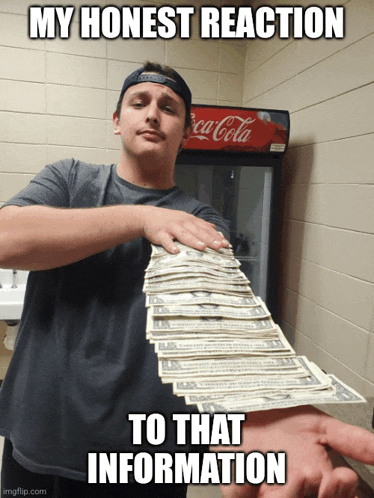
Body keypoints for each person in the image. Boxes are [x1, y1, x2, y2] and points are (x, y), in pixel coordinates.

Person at [0, 62, 373, 498]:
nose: (152, 113)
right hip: (39, 441)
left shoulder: (200, 221)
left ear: (187, 132)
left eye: (169, 107)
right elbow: (7, 238)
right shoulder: (69, 180)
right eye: (138, 103)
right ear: (118, 122)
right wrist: (141, 217)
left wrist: (261, 410)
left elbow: (217, 325)